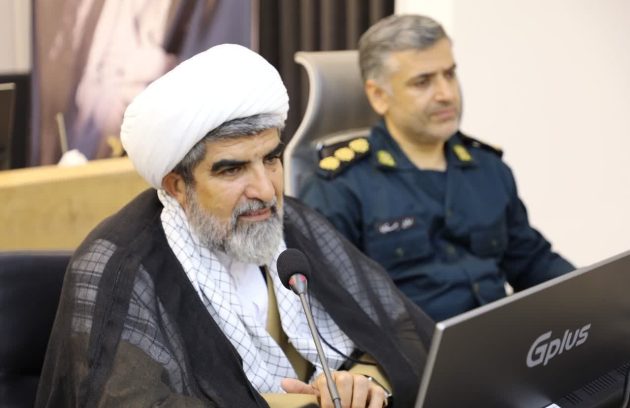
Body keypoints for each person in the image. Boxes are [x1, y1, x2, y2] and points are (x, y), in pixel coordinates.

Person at [35, 44, 433, 408]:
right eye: (233, 170)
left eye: (271, 159)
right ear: (177, 186)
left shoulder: (292, 223)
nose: (265, 190)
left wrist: (363, 383)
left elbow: (399, 329)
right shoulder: (118, 269)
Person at [299, 14, 575, 322]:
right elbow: (334, 311)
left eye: (449, 74)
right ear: (379, 96)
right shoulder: (339, 188)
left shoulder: (488, 169)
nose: (446, 94)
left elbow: (532, 262)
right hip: (411, 349)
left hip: (500, 339)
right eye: (423, 82)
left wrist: (596, 301)